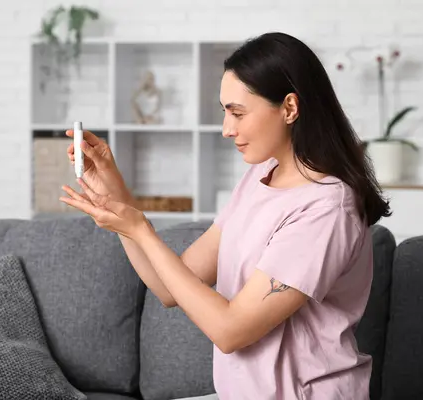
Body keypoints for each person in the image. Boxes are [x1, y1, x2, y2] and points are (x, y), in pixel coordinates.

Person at [59, 31, 391, 400]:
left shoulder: (326, 209)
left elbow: (231, 331)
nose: (226, 129)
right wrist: (113, 188)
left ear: (290, 108)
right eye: (224, 112)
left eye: (238, 113)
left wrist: (141, 229)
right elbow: (169, 288)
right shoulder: (259, 177)